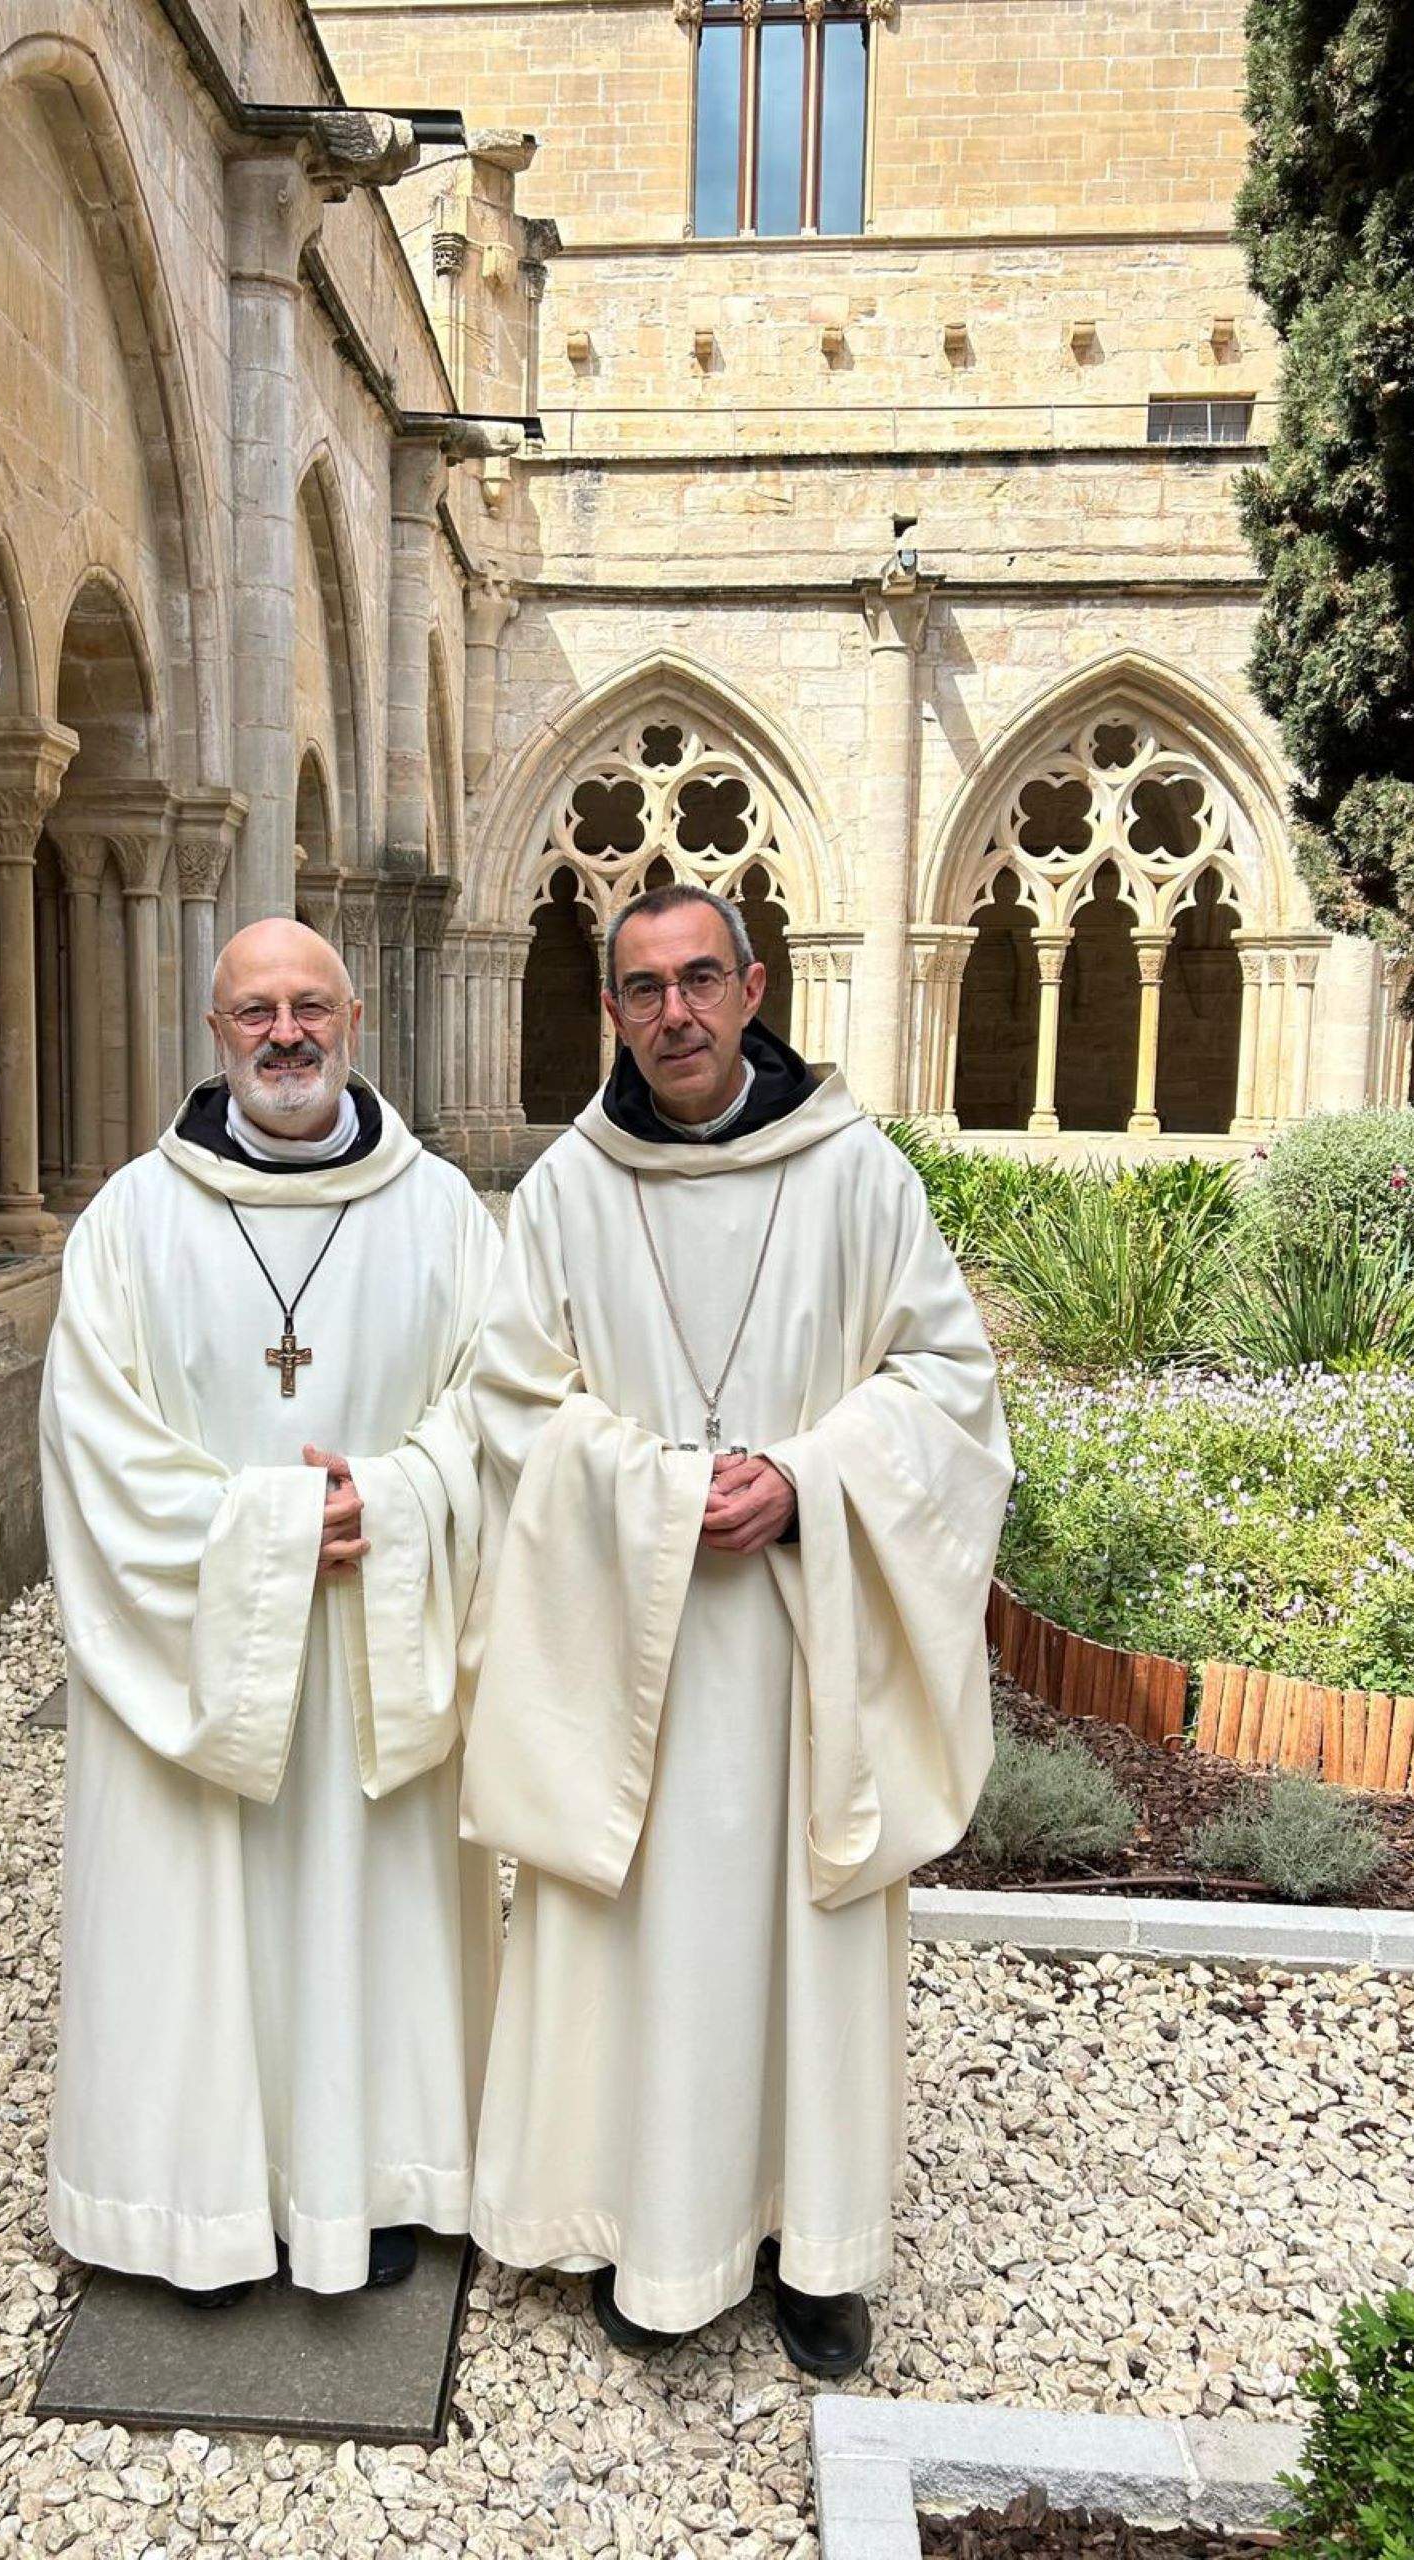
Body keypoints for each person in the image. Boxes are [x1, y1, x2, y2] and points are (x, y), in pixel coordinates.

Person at [459, 881, 1011, 2375]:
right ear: (614, 1011)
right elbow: (510, 1406)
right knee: (635, 1933)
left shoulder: (859, 1177)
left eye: (701, 980)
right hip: (624, 1644)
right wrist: (654, 1498)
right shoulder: (570, 1190)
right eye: (645, 988)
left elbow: (952, 1391)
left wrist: (807, 1480)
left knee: (797, 1934)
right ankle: (631, 2224)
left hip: (795, 1647)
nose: (677, 1014)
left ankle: (813, 2248)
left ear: (755, 988)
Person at [39, 918, 501, 2304]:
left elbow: (503, 1412)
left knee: (377, 1901)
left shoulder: (443, 1216)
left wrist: (404, 1498)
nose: (285, 1034)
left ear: (355, 1022)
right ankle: (194, 2196)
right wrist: (284, 1527)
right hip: (199, 1652)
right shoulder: (131, 1220)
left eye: (311, 1006)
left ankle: (387, 2175)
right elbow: (91, 1441)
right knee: (194, 1908)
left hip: (375, 1640)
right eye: (256, 1011)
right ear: (216, 1030)